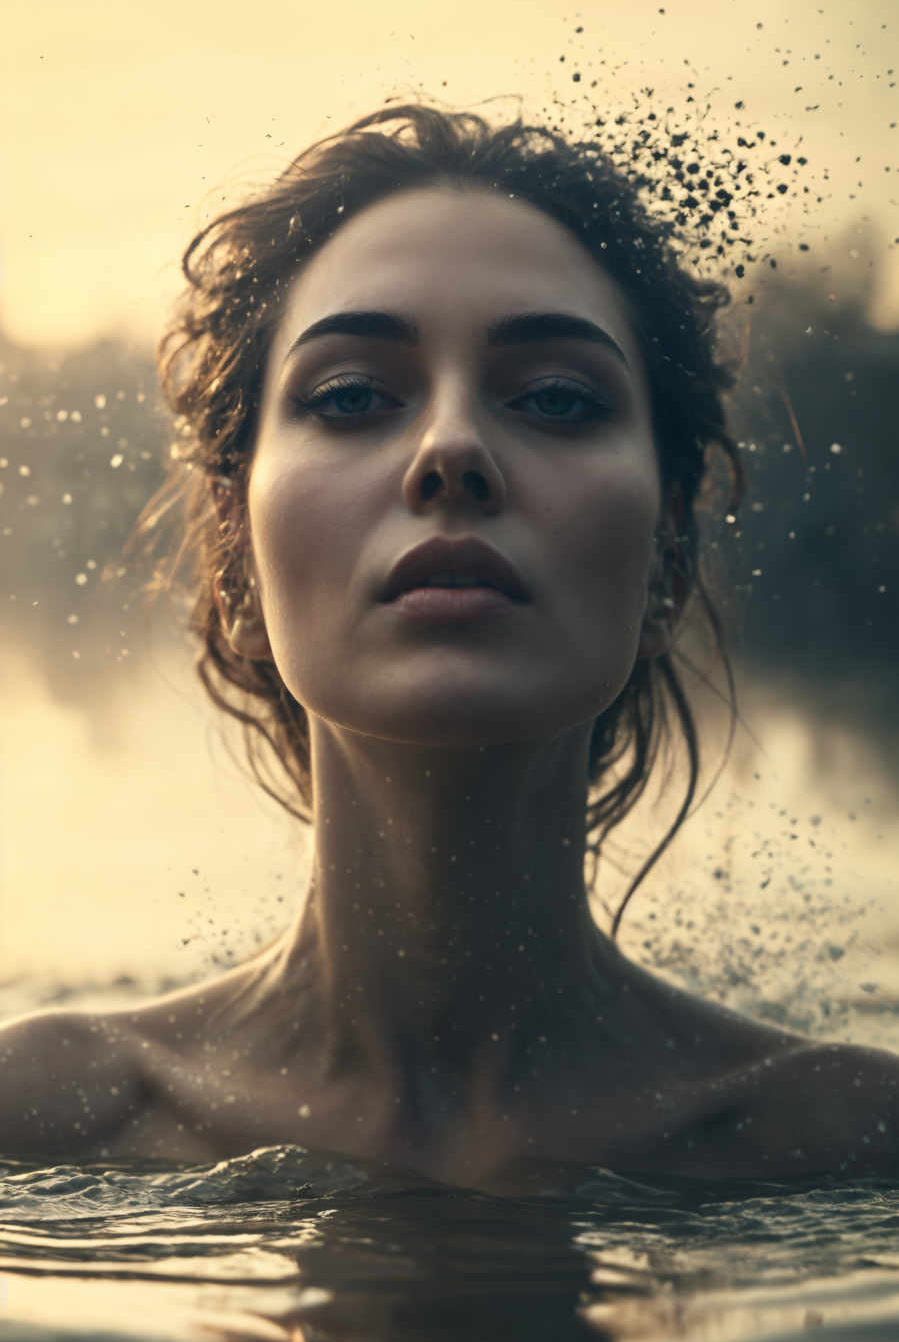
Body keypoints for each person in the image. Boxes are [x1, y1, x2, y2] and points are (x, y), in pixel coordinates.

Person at [2, 104, 896, 1185]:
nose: (451, 448)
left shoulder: (847, 1146)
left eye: (558, 398)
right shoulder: (46, 1125)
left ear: (663, 563)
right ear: (235, 556)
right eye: (351, 396)